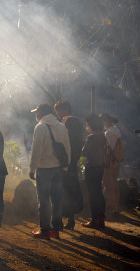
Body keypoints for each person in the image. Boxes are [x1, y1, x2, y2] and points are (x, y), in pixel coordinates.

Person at [29, 103, 70, 239]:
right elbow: (67, 148)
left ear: (41, 113)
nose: (36, 115)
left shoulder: (40, 127)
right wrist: (65, 167)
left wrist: (32, 168)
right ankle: (56, 229)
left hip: (44, 169)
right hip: (58, 168)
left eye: (37, 112)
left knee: (44, 201)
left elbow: (36, 150)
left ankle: (45, 230)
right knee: (57, 200)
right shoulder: (61, 126)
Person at [54, 99, 84, 230]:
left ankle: (60, 219)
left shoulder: (68, 121)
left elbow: (67, 143)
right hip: (73, 162)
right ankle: (70, 219)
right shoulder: (76, 121)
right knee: (70, 190)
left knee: (62, 190)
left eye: (58, 111)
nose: (58, 114)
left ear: (64, 110)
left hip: (66, 163)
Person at [81, 113, 107, 229]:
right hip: (100, 167)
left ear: (91, 125)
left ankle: (94, 220)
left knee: (93, 194)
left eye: (87, 124)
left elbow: (84, 152)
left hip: (91, 168)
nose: (86, 127)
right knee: (99, 194)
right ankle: (101, 220)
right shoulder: (103, 136)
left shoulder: (91, 138)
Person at [100, 113, 121, 214]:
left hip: (108, 161)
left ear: (104, 121)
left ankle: (109, 206)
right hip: (116, 160)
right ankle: (115, 205)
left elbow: (106, 148)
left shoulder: (108, 133)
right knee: (114, 183)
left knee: (108, 184)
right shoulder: (117, 130)